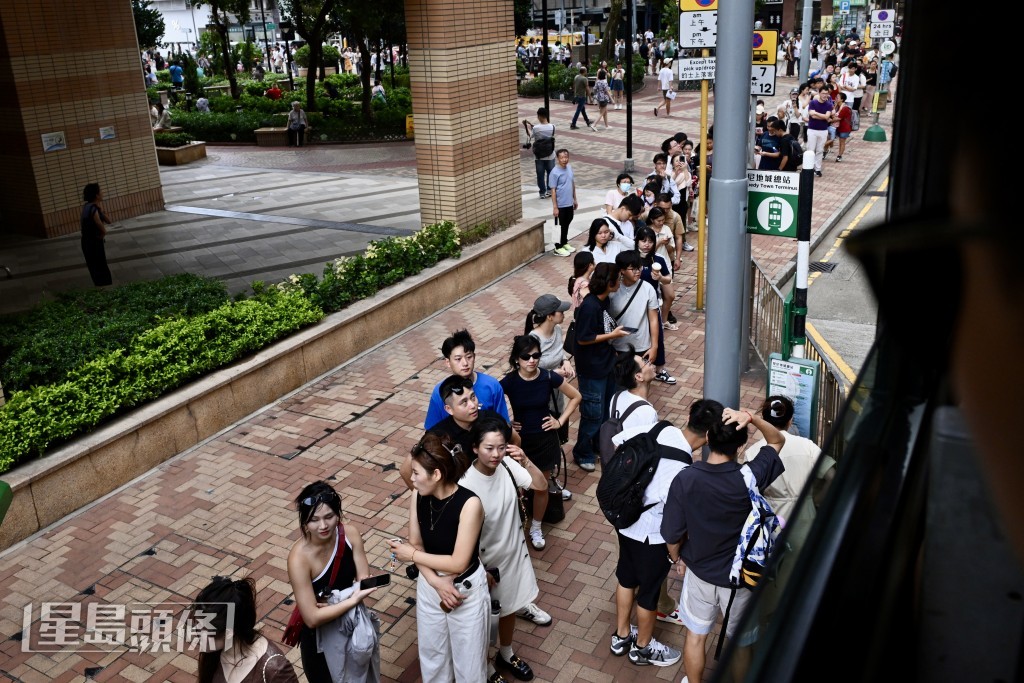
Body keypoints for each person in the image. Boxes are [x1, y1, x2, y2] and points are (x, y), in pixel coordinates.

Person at [661, 407, 787, 683]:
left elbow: (671, 533)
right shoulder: (749, 476)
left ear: (707, 437)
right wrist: (752, 418)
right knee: (740, 643)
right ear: (741, 445)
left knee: (695, 636)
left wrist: (677, 559)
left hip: (700, 572)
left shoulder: (686, 477)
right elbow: (777, 440)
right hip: (741, 577)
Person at [387, 433, 489, 683]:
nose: (411, 479)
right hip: (429, 583)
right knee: (433, 659)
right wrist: (435, 582)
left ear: (436, 475)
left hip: (464, 589)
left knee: (470, 667)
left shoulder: (470, 504)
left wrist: (411, 555)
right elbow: (417, 542)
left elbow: (458, 562)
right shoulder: (417, 494)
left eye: (416, 473)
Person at [461, 419, 549, 683]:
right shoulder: (466, 484)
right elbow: (464, 538)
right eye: (489, 448)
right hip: (485, 565)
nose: (496, 454)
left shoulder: (508, 466)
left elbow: (541, 485)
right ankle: (486, 663)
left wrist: (524, 460)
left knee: (510, 608)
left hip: (513, 554)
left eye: (501, 447)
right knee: (486, 621)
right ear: (475, 448)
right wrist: (478, 569)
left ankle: (506, 653)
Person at [286, 482, 378, 681]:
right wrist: (351, 599)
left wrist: (342, 599)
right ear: (304, 522)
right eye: (314, 520)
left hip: (349, 625)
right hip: (317, 639)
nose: (323, 526)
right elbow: (311, 618)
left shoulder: (350, 535)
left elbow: (363, 579)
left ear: (338, 514)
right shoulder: (299, 558)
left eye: (329, 517)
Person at [500, 335, 581, 549]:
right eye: (526, 356)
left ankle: (536, 526)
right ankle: (518, 523)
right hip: (520, 442)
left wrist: (560, 421)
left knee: (541, 486)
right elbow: (492, 404)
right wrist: (508, 423)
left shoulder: (547, 377)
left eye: (536, 355)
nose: (532, 360)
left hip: (545, 440)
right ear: (517, 359)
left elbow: (576, 397)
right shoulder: (509, 382)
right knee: (518, 485)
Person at [572, 262, 629, 471]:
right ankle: (582, 452)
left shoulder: (603, 301)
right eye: (618, 279)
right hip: (591, 369)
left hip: (606, 365)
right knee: (592, 414)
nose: (620, 283)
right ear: (609, 282)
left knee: (605, 412)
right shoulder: (590, 306)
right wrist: (613, 336)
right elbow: (583, 339)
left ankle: (596, 446)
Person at [192, 576, 300, 683]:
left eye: (205, 631)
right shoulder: (213, 651)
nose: (197, 635)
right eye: (197, 624)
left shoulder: (275, 669)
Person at [424, 329, 510, 430]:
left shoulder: (492, 385)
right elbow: (432, 429)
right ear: (448, 362)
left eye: (469, 357)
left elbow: (504, 424)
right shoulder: (440, 391)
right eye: (458, 359)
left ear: (474, 357)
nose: (465, 363)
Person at [610, 250, 674, 385]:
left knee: (641, 383)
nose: (637, 272)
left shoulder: (648, 288)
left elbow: (653, 319)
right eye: (632, 269)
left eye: (638, 267)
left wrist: (654, 347)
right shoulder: (613, 289)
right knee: (618, 384)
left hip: (641, 346)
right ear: (621, 270)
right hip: (617, 346)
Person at [80, 183, 113, 286]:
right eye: (100, 191)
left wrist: (100, 210)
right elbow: (101, 227)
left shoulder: (88, 207)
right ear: (96, 195)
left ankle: (100, 286)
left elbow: (108, 221)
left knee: (94, 266)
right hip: (93, 242)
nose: (102, 193)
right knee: (100, 265)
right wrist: (102, 235)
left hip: (86, 241)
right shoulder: (93, 209)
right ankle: (105, 286)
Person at [549, 149, 578, 257]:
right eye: (562, 158)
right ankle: (558, 247)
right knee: (560, 225)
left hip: (569, 202)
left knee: (567, 222)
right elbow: (553, 190)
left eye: (566, 157)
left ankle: (564, 242)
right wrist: (555, 207)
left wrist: (574, 199)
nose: (564, 160)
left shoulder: (569, 168)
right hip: (560, 204)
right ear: (558, 158)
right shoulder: (554, 172)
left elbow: (572, 183)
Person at [523, 107, 556, 200]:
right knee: (551, 173)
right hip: (550, 154)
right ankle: (550, 190)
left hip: (539, 156)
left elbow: (530, 135)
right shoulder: (553, 127)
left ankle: (542, 192)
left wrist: (526, 126)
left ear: (539, 116)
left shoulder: (536, 128)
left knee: (540, 175)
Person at [806, 86, 833, 178]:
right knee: (810, 150)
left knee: (820, 150)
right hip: (812, 130)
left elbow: (826, 117)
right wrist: (824, 116)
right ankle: (809, 168)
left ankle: (817, 169)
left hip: (823, 130)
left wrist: (816, 113)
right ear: (819, 93)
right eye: (823, 93)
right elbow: (812, 116)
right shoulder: (813, 103)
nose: (825, 95)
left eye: (826, 93)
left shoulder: (829, 104)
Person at [833, 91, 853, 162]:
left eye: (837, 97)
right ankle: (839, 154)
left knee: (842, 142)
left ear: (842, 99)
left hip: (844, 128)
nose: (836, 98)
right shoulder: (838, 106)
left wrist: (828, 120)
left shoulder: (844, 108)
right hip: (839, 127)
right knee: (840, 141)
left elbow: (838, 118)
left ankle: (839, 155)